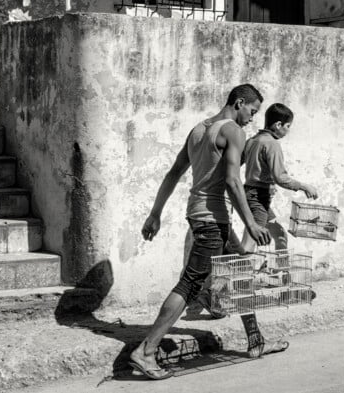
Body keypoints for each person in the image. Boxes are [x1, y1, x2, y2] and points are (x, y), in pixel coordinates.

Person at [129, 84, 286, 380]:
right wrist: (252, 223)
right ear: (239, 103)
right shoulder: (232, 131)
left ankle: (256, 341)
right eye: (252, 111)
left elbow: (174, 172)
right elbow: (232, 181)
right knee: (189, 284)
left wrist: (155, 213)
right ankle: (146, 352)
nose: (252, 119)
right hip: (212, 220)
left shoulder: (199, 130)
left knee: (239, 273)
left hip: (199, 214)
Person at [239, 103, 319, 253]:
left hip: (251, 194)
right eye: (288, 126)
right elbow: (280, 177)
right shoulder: (272, 144)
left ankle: (281, 273)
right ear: (278, 124)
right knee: (249, 244)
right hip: (258, 198)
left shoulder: (252, 141)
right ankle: (239, 274)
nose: (288, 131)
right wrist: (304, 186)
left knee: (280, 235)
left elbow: (237, 163)